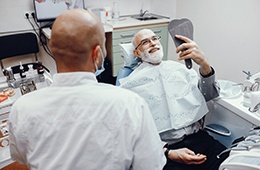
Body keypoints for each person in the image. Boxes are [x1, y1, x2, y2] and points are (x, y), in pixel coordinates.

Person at [8, 10, 166, 170]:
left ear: (52, 48)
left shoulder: (21, 108)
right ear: (97, 54)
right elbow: (151, 165)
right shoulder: (131, 104)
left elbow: (21, 158)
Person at [119, 29, 229, 170]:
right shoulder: (130, 85)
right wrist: (167, 152)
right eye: (145, 42)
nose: (152, 43)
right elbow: (130, 134)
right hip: (166, 150)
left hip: (200, 140)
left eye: (154, 39)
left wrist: (204, 64)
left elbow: (211, 95)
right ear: (136, 53)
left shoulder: (182, 70)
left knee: (232, 163)